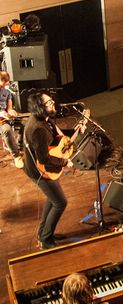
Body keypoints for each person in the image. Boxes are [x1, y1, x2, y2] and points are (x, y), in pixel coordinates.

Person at [23, 93, 75, 249]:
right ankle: (46, 240)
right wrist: (65, 161)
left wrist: (75, 131)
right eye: (48, 102)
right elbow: (44, 159)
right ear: (40, 107)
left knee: (53, 199)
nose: (53, 103)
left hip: (45, 169)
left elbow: (56, 137)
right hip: (40, 172)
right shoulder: (38, 129)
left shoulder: (43, 119)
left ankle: (43, 233)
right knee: (60, 203)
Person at [0, 71, 24, 168]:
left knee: (26, 122)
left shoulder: (6, 92)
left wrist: (10, 111)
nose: (6, 84)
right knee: (6, 129)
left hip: (4, 118)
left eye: (7, 81)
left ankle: (18, 146)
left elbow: (9, 107)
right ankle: (16, 156)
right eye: (4, 81)